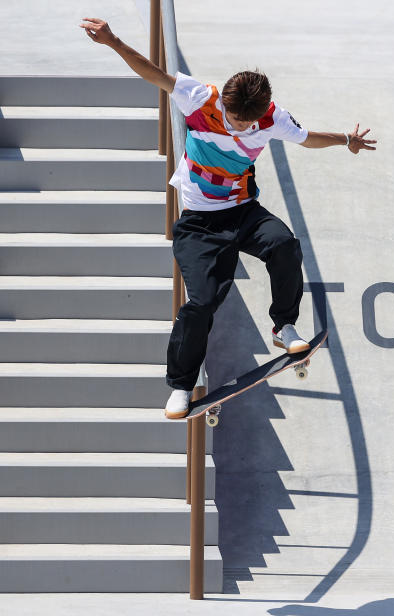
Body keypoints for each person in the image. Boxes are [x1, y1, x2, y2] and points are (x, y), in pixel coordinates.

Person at [80, 17, 376, 419]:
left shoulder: (273, 118)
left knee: (284, 244)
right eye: (237, 122)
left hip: (243, 211)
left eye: (249, 125)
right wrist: (113, 41)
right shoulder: (200, 98)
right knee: (202, 302)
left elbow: (308, 140)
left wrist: (345, 140)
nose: (243, 129)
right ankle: (182, 385)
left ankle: (283, 327)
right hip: (199, 222)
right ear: (225, 106)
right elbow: (155, 74)